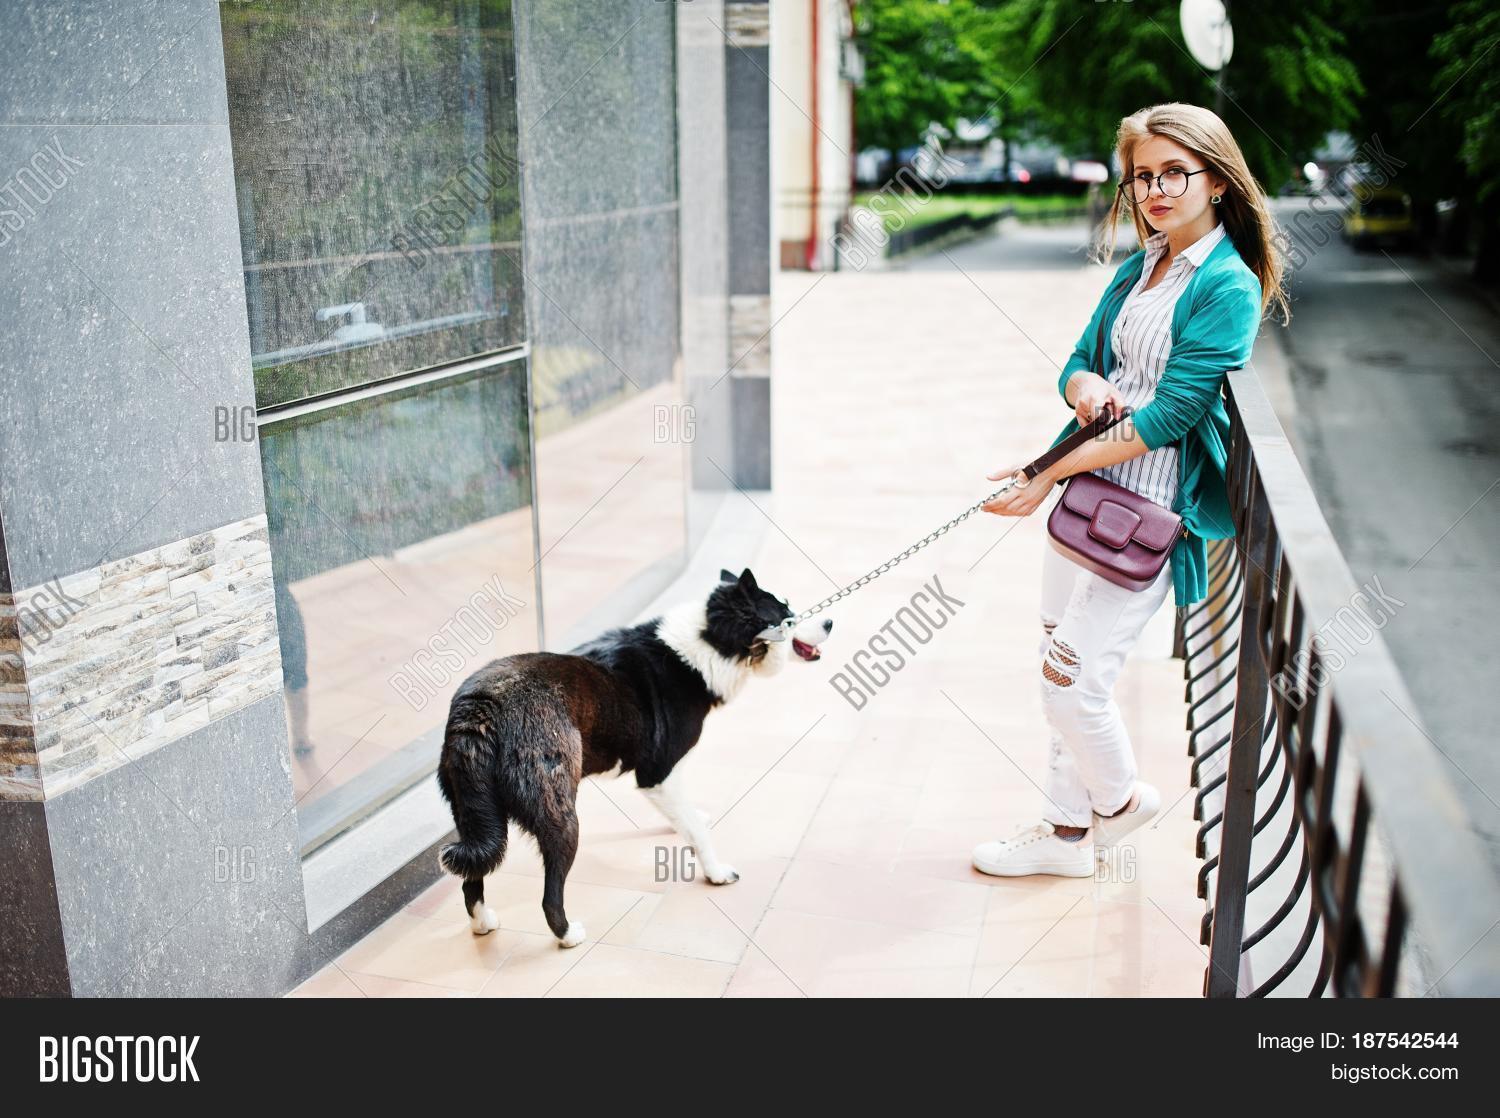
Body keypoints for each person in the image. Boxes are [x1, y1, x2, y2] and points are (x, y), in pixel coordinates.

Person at [971, 102, 1288, 877]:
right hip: (1090, 498)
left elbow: (1174, 414)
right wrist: (1084, 387)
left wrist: (1043, 473)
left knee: (1071, 682)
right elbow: (1080, 358)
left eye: (1174, 172)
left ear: (1215, 179)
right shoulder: (1140, 265)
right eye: (1144, 175)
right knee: (1056, 656)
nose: (1156, 188)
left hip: (1143, 515)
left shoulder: (1227, 285)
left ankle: (1118, 803)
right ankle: (1065, 833)